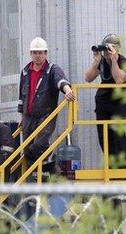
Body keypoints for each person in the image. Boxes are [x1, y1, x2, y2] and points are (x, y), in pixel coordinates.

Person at [17, 37, 75, 177]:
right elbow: (22, 96)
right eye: (35, 52)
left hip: (46, 115)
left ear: (46, 53)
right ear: (30, 54)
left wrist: (67, 90)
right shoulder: (25, 71)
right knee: (27, 150)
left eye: (40, 52)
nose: (38, 55)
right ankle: (39, 176)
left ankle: (51, 165)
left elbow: (60, 80)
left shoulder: (52, 70)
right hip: (28, 117)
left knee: (38, 145)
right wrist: (21, 117)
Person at [84, 34, 126, 168]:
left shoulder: (123, 62)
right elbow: (88, 77)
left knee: (118, 138)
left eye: (109, 49)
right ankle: (110, 168)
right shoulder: (102, 61)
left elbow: (119, 80)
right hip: (103, 104)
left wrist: (114, 61)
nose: (106, 52)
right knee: (104, 137)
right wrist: (97, 61)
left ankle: (121, 170)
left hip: (118, 104)